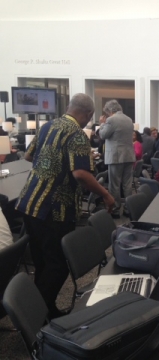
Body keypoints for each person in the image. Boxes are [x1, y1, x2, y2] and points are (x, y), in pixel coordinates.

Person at [15, 93, 115, 318]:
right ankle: (34, 315)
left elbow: (30, 157)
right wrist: (106, 195)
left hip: (29, 203)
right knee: (58, 265)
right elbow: (81, 174)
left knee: (43, 262)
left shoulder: (47, 126)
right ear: (88, 115)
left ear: (70, 107)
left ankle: (46, 311)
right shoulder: (77, 134)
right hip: (55, 209)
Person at [99, 99, 136, 219]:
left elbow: (103, 135)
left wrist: (102, 124)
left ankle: (115, 209)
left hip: (115, 156)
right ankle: (128, 208)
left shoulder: (111, 120)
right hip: (129, 155)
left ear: (110, 110)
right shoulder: (129, 119)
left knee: (114, 184)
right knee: (127, 184)